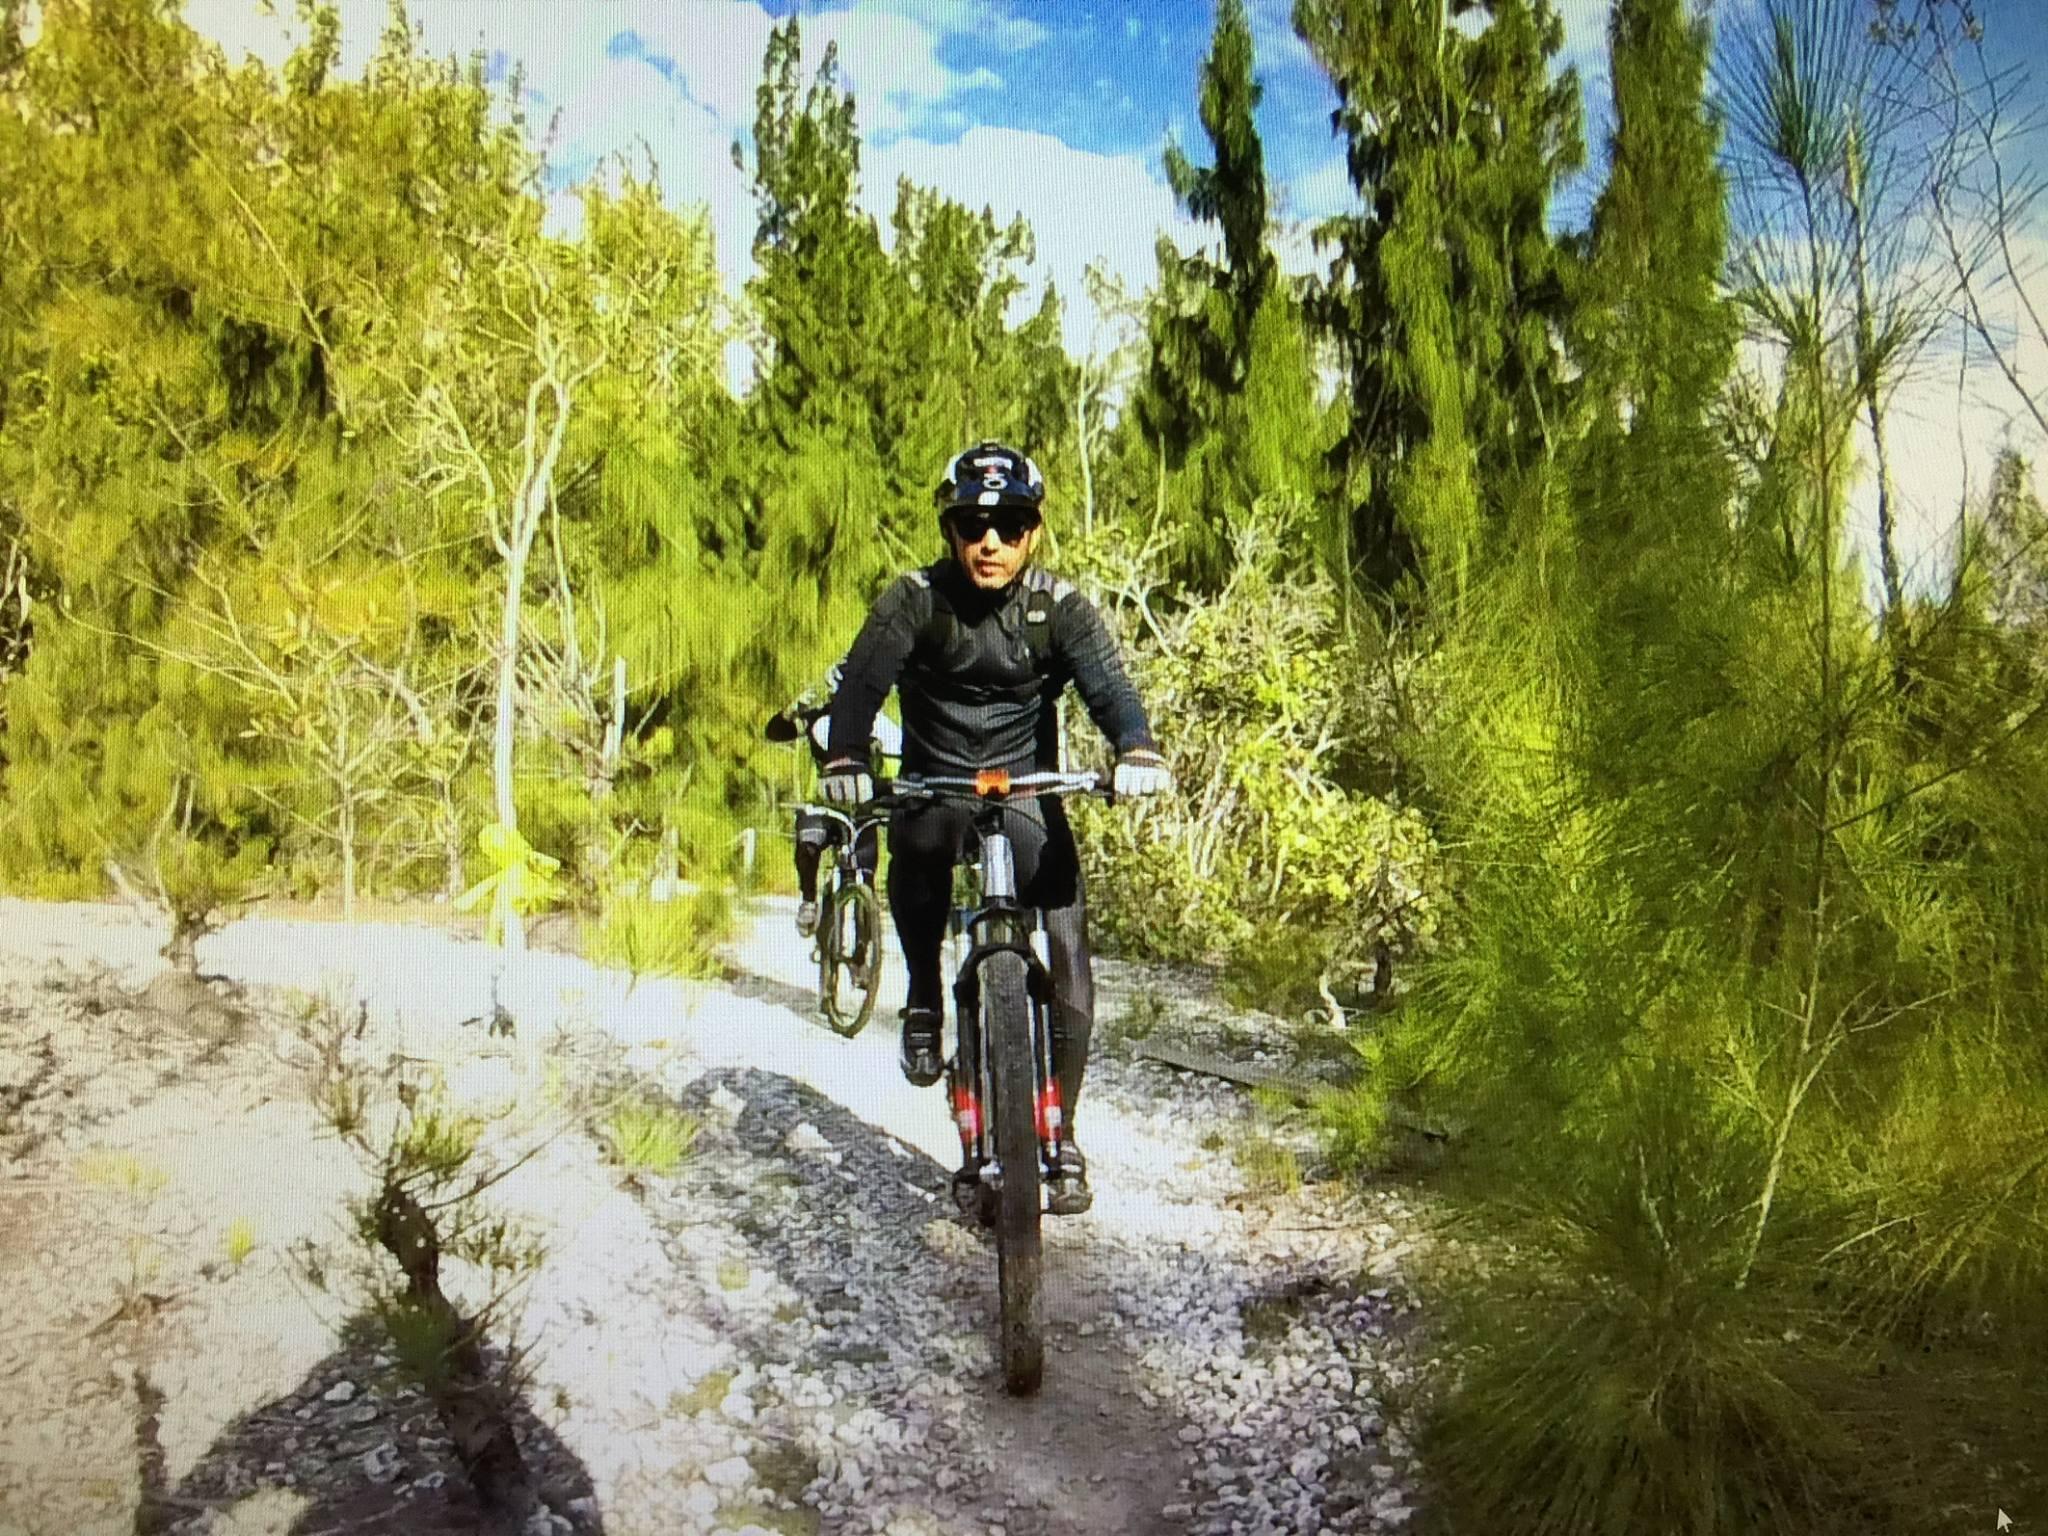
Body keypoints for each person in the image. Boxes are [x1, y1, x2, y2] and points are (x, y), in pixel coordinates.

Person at [818, 440, 1173, 1215]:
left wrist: (1135, 749)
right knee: (915, 844)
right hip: (934, 785)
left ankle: (1063, 1132)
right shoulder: (911, 600)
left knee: (1070, 939)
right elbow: (862, 685)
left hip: (1025, 790)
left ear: (1032, 533)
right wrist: (846, 754)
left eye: (1010, 525)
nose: (990, 542)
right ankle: (922, 995)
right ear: (949, 529)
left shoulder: (1058, 607)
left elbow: (1110, 689)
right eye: (973, 526)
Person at [763, 664, 902, 936]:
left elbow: (900, 755)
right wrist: (791, 710)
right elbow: (775, 733)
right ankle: (808, 900)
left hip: (862, 810)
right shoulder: (816, 719)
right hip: (826, 808)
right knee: (809, 841)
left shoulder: (877, 722)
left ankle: (867, 937)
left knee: (866, 872)